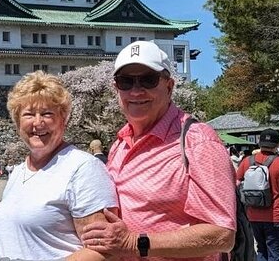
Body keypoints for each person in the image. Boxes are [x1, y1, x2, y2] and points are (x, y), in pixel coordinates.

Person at [82, 41, 236, 260]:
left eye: (148, 79)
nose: (136, 91)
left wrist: (134, 242)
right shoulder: (119, 144)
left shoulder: (198, 141)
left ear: (169, 86)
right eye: (125, 82)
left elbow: (222, 234)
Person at [0, 71, 118, 261]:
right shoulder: (19, 172)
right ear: (17, 123)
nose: (38, 122)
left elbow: (103, 251)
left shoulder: (83, 168)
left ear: (63, 120)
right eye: (28, 114)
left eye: (47, 113)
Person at [236, 129, 279, 261]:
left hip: (253, 215)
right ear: (277, 144)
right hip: (276, 215)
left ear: (259, 143)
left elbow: (236, 182)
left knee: (262, 250)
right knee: (275, 253)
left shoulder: (247, 161)